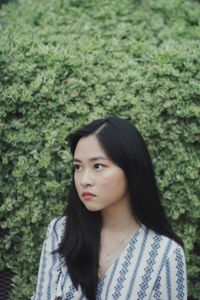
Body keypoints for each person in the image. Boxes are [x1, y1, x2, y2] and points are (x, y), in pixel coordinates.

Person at [31, 116, 187, 300]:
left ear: (131, 169)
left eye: (98, 166)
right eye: (78, 167)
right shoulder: (61, 232)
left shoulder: (165, 254)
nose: (84, 180)